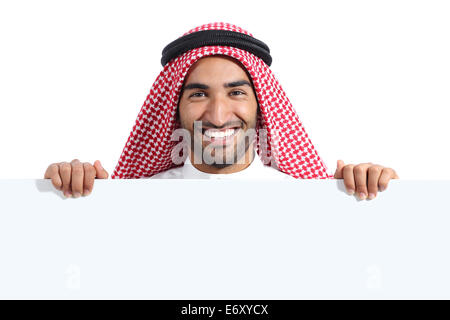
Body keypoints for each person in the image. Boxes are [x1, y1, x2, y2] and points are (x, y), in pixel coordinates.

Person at [44, 22, 399, 200]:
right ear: (174, 108)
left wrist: (376, 200)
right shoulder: (132, 203)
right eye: (198, 94)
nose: (217, 115)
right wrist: (71, 201)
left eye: (237, 92)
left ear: (261, 104)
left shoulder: (312, 202)